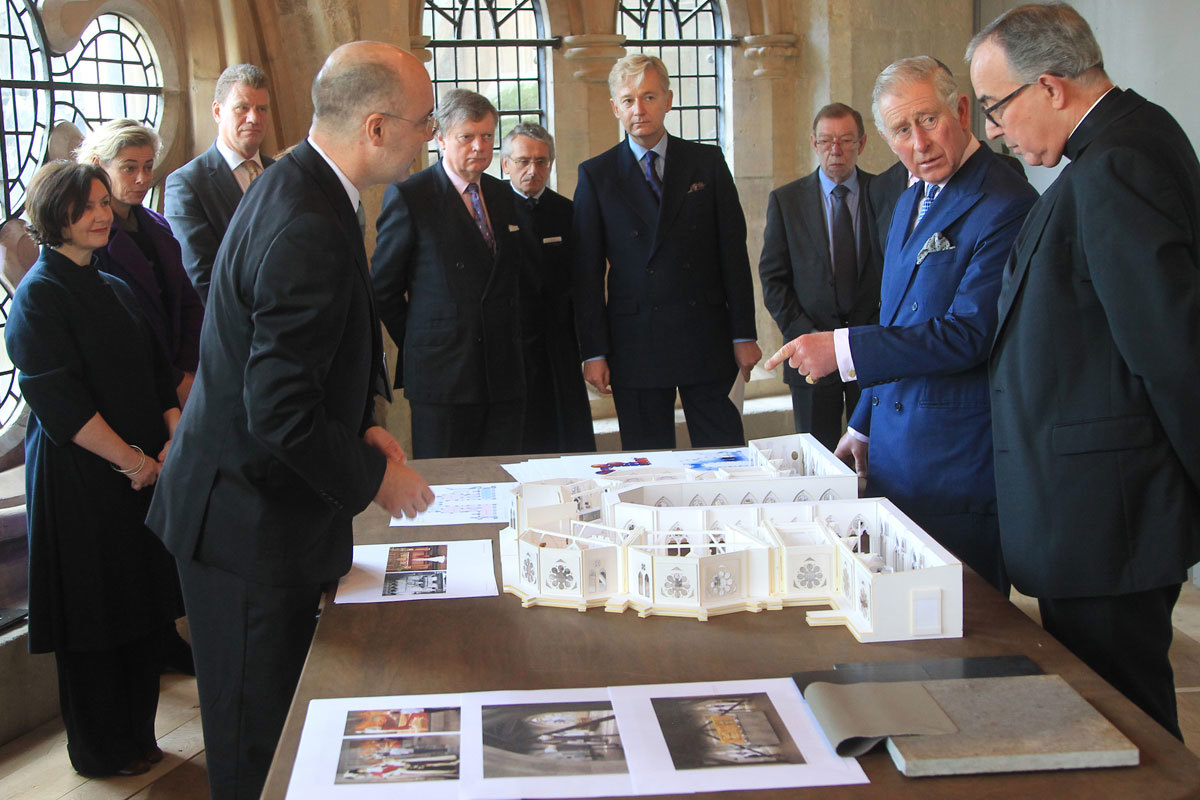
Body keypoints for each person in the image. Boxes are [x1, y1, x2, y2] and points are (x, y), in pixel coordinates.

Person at [146, 42, 436, 800]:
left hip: (254, 506)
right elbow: (275, 408)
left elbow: (291, 370)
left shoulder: (301, 184)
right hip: (244, 525)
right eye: (425, 120)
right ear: (376, 128)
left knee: (276, 731)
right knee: (256, 746)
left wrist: (358, 427)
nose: (429, 135)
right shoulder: (306, 217)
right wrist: (375, 478)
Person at [968, 3, 1200, 739]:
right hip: (1098, 514)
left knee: (1125, 726)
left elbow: (1173, 351)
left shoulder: (1118, 164)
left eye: (995, 107)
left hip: (1110, 520)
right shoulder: (1123, 143)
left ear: (1051, 87)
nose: (994, 130)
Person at [765, 56, 1037, 593]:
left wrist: (841, 349)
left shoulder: (1005, 200)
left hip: (955, 461)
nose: (919, 143)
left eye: (929, 120)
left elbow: (970, 334)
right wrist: (864, 420)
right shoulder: (911, 196)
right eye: (901, 130)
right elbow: (895, 317)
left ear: (961, 109)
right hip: (895, 451)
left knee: (965, 632)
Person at [6, 160, 182, 777]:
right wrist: (135, 462)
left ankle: (140, 737)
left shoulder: (116, 285)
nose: (103, 215)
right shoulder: (36, 298)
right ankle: (100, 750)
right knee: (93, 619)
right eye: (87, 207)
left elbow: (160, 378)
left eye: (106, 203)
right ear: (55, 215)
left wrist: (169, 445)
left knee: (138, 608)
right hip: (80, 484)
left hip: (142, 476)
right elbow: (65, 406)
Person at [572, 54, 760, 451]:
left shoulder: (706, 163)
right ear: (614, 108)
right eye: (627, 100)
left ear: (669, 100)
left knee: (723, 452)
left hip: (707, 335)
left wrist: (743, 333)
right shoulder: (596, 175)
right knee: (647, 458)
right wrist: (594, 351)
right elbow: (586, 274)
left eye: (649, 97)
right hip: (635, 340)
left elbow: (733, 252)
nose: (638, 109)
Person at [372, 89, 525, 459]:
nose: (479, 147)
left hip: (502, 372)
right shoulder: (410, 197)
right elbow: (382, 287)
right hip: (442, 374)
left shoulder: (504, 196)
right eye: (467, 137)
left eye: (487, 137)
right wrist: (424, 337)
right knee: (447, 486)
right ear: (440, 138)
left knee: (503, 479)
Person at [757, 103, 884, 450]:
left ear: (863, 142)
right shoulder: (787, 200)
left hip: (870, 349)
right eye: (827, 140)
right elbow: (773, 278)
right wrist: (807, 336)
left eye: (846, 140)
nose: (836, 150)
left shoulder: (885, 194)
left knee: (876, 454)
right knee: (817, 456)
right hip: (810, 354)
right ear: (814, 142)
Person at [78, 119, 204, 408]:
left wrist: (186, 370)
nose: (142, 178)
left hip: (181, 370)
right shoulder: (88, 238)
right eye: (129, 168)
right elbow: (112, 328)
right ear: (99, 164)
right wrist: (170, 378)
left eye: (148, 166)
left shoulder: (158, 225)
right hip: (129, 383)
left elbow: (188, 300)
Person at [500, 122, 596, 454]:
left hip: (559, 349)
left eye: (541, 161)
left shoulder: (569, 212)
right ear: (506, 164)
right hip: (510, 350)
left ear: (551, 164)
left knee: (567, 440)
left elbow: (585, 282)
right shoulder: (492, 209)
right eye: (523, 161)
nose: (532, 170)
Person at [165, 63, 273, 303]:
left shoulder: (282, 174)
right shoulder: (187, 184)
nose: (254, 118)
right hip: (238, 330)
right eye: (242, 108)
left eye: (262, 109)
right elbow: (204, 279)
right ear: (217, 112)